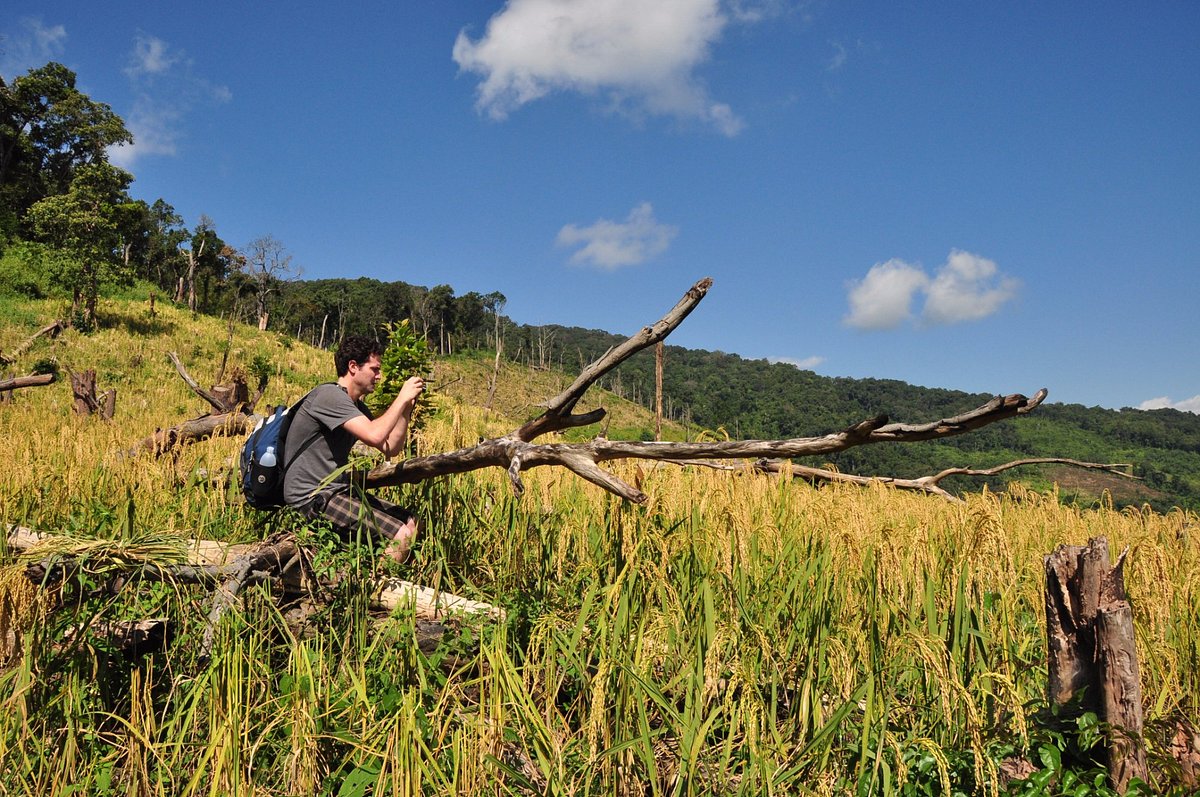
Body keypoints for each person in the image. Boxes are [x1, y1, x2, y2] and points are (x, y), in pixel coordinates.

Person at [283, 334, 425, 562]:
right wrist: (400, 397)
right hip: (310, 497)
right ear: (353, 367)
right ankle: (377, 591)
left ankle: (371, 573)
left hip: (334, 492)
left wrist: (406, 409)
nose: (379, 376)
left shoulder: (355, 407)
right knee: (400, 535)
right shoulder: (329, 396)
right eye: (374, 369)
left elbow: (390, 447)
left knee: (411, 521)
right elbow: (374, 434)